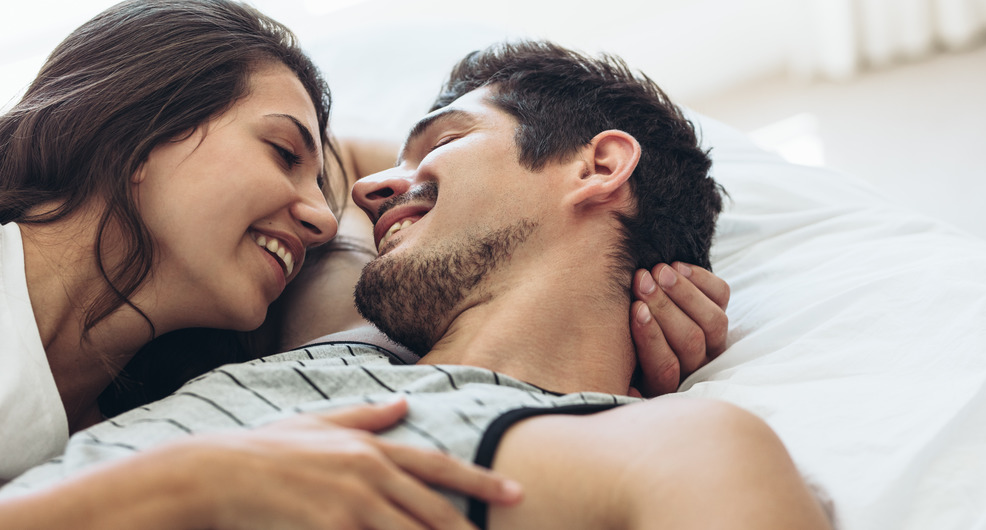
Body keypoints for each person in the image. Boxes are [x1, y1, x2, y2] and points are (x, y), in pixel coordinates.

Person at [3, 40, 833, 529]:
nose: (348, 205)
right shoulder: (333, 323)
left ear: (601, 164)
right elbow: (298, 157)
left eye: (441, 140)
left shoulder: (671, 445)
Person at [0, 0, 525, 529]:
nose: (323, 219)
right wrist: (179, 484)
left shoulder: (118, 427)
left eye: (320, 186)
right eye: (282, 153)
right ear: (137, 128)